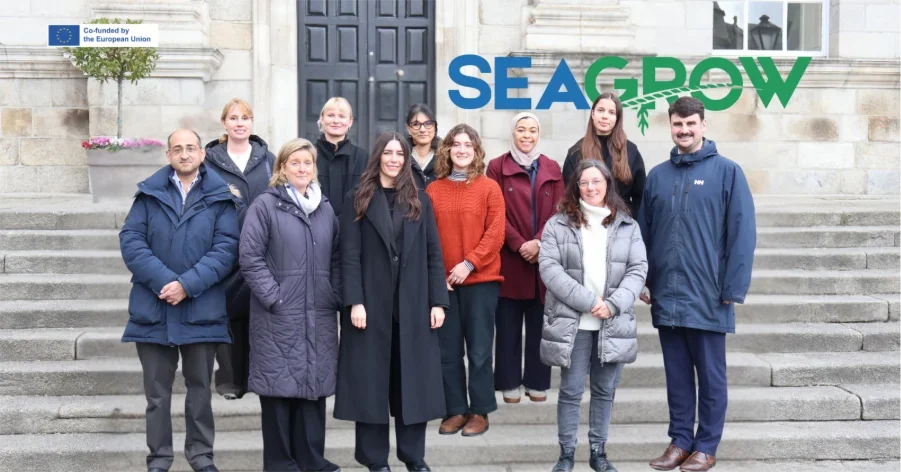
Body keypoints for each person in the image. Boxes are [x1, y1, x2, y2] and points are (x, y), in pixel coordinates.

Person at [639, 97, 756, 472]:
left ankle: (706, 446)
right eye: (678, 124)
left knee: (711, 378)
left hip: (709, 295)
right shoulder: (658, 176)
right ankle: (680, 442)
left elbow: (742, 234)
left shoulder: (728, 172)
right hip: (668, 295)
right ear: (670, 126)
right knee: (676, 377)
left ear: (703, 125)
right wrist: (643, 279)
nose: (684, 130)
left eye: (691, 123)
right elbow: (643, 233)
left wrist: (733, 288)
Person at [120, 128, 240, 472]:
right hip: (153, 308)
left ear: (202, 154)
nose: (184, 154)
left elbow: (226, 249)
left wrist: (187, 285)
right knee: (156, 395)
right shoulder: (148, 195)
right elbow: (131, 241)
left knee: (200, 391)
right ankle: (159, 459)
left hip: (201, 309)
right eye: (177, 149)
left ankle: (201, 457)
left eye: (190, 148)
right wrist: (166, 282)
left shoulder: (220, 197)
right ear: (168, 155)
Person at [335, 132, 449, 472]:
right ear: (378, 157)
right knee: (370, 384)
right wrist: (355, 301)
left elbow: (433, 252)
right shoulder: (357, 198)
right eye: (388, 153)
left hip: (413, 307)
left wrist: (438, 301)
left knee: (412, 384)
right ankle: (374, 459)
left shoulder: (420, 199)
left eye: (400, 154)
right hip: (370, 308)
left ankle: (413, 456)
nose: (394, 159)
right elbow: (349, 256)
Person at [239, 138, 343, 472]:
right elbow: (250, 257)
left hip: (319, 312)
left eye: (307, 163)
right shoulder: (265, 205)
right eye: (294, 162)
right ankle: (281, 463)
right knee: (278, 391)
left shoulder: (324, 208)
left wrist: (333, 293)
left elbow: (337, 257)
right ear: (282, 167)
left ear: (314, 168)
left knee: (312, 389)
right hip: (278, 315)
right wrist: (274, 296)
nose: (302, 168)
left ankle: (311, 460)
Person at [539, 160, 648, 472]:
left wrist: (613, 304)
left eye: (597, 181)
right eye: (584, 182)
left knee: (604, 390)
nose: (591, 188)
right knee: (571, 391)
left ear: (608, 184)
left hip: (612, 322)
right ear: (576, 187)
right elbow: (550, 269)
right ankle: (566, 454)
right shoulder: (558, 224)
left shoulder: (627, 225)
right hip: (573, 323)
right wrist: (589, 302)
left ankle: (598, 452)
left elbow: (638, 269)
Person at [425, 124, 505, 437]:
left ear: (476, 151)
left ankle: (479, 411)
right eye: (456, 144)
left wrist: (468, 264)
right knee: (448, 352)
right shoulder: (433, 190)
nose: (461, 150)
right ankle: (455, 409)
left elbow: (495, 234)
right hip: (445, 284)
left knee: (480, 351)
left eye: (468, 145)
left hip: (481, 281)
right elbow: (427, 237)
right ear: (447, 150)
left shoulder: (489, 188)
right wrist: (438, 276)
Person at [487, 112, 564, 404]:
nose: (527, 135)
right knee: (507, 326)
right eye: (521, 130)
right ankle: (508, 381)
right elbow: (495, 212)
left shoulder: (552, 167)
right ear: (513, 133)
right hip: (510, 258)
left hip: (543, 260)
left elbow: (560, 210)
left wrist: (539, 242)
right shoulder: (496, 167)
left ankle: (537, 381)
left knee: (539, 326)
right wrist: (520, 244)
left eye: (532, 130)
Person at [203, 98, 277, 400]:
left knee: (259, 314)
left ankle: (257, 377)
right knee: (228, 314)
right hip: (225, 246)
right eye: (233, 118)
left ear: (251, 122)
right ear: (224, 123)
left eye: (244, 118)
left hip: (264, 248)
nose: (239, 123)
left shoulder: (268, 159)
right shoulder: (209, 162)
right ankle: (231, 380)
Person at [562, 92, 646, 219]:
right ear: (592, 114)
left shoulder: (631, 151)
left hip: (621, 223)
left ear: (617, 118)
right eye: (601, 110)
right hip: (585, 222)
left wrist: (632, 224)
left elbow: (640, 197)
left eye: (611, 112)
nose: (605, 116)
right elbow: (568, 196)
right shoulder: (575, 152)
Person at [315, 97, 368, 215]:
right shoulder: (309, 156)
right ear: (322, 119)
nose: (336, 121)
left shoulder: (362, 158)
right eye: (330, 115)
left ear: (350, 121)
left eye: (342, 116)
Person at [405, 103, 440, 188]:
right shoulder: (400, 156)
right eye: (416, 124)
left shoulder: (446, 156)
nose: (422, 129)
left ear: (435, 127)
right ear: (409, 129)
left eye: (428, 124)